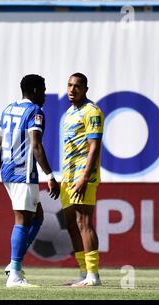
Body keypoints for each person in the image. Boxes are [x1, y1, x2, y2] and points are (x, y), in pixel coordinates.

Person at [0, 74, 60, 288]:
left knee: (37, 216)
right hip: (23, 173)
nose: (45, 95)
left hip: (9, 171)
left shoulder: (9, 109)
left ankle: (13, 264)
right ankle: (15, 274)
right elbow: (36, 145)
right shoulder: (35, 112)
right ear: (36, 90)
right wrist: (50, 176)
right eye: (43, 90)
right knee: (23, 220)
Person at [61, 73, 104, 287]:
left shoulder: (92, 111)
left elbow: (94, 146)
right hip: (67, 176)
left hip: (82, 176)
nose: (72, 89)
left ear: (86, 89)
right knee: (71, 223)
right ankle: (83, 272)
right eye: (69, 85)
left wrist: (85, 177)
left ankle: (93, 275)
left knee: (84, 222)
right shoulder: (70, 112)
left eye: (77, 86)